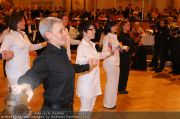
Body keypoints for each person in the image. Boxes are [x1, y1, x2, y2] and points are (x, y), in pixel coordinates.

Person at [16, 17, 97, 116]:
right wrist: (26, 85)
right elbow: (29, 78)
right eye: (60, 31)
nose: (65, 34)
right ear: (48, 35)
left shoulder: (61, 52)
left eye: (64, 30)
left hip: (68, 109)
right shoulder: (45, 58)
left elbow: (67, 68)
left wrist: (87, 66)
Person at [0, 13, 47, 91]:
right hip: (14, 71)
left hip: (25, 69)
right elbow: (1, 51)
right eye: (21, 21)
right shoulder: (9, 36)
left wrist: (45, 44)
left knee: (23, 96)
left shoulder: (24, 34)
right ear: (15, 22)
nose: (24, 22)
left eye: (23, 20)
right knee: (17, 97)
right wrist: (5, 54)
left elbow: (30, 47)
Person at [76, 20, 111, 114]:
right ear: (84, 32)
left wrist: (108, 52)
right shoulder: (82, 46)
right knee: (85, 109)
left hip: (94, 81)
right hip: (86, 83)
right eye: (92, 29)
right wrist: (88, 61)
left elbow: (97, 56)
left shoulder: (91, 44)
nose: (95, 31)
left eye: (94, 29)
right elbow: (79, 62)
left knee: (91, 107)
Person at [102, 21, 121, 109]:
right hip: (110, 62)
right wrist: (113, 50)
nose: (116, 27)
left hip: (115, 61)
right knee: (110, 83)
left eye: (116, 26)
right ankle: (108, 103)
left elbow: (118, 48)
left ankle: (112, 102)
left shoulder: (114, 36)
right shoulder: (107, 37)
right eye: (114, 26)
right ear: (109, 27)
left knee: (115, 83)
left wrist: (120, 48)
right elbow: (106, 51)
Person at [118, 20, 134, 94]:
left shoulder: (128, 34)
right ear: (123, 26)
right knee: (123, 72)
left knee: (126, 72)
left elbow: (131, 43)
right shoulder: (120, 35)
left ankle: (123, 87)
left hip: (128, 56)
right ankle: (121, 88)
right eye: (127, 25)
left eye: (129, 25)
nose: (129, 26)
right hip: (123, 56)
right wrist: (126, 48)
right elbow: (120, 46)